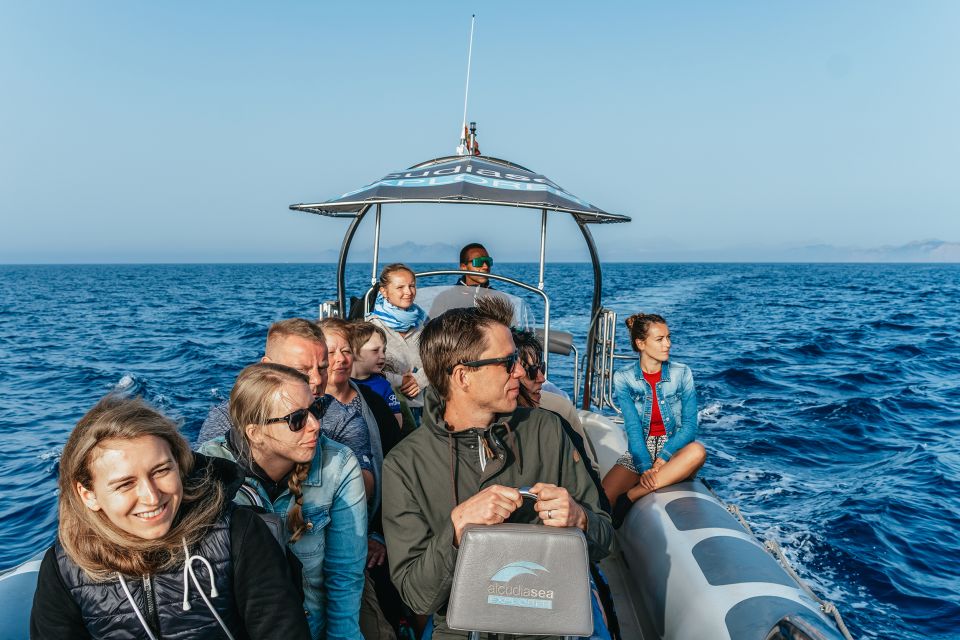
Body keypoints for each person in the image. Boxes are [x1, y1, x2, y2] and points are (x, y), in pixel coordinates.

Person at [381, 297, 613, 639]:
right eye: (508, 363)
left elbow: (604, 538)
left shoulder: (547, 430)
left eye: (517, 360)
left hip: (551, 625)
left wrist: (580, 519)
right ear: (463, 376)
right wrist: (457, 531)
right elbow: (417, 595)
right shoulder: (404, 465)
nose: (520, 371)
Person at [31, 394, 310, 640]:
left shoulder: (238, 533)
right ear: (88, 494)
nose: (152, 497)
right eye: (125, 484)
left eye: (161, 471)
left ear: (180, 465)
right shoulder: (66, 568)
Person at [199, 363, 366, 639]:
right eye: (297, 420)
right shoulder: (210, 475)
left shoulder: (338, 464)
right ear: (254, 432)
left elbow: (344, 575)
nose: (315, 426)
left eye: (317, 409)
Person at [601, 313, 707, 510]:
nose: (667, 344)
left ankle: (634, 494)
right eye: (660, 339)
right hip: (642, 449)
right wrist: (644, 467)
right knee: (602, 500)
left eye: (668, 337)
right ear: (641, 343)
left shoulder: (682, 373)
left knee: (698, 451)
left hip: (675, 448)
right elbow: (633, 427)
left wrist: (663, 458)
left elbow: (690, 427)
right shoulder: (623, 377)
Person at [197, 318, 329, 444]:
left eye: (323, 368)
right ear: (267, 367)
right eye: (301, 370)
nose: (317, 380)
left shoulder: (341, 416)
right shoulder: (226, 419)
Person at [511, 328, 601, 476]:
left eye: (541, 368)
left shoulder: (559, 409)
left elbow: (590, 471)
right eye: (531, 371)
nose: (542, 379)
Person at [367, 263, 430, 419]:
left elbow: (440, 358)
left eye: (412, 286)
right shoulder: (371, 327)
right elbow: (364, 368)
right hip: (389, 409)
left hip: (428, 408)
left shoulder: (425, 322)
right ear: (384, 291)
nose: (408, 292)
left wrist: (420, 380)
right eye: (400, 287)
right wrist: (401, 381)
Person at [351, 320, 404, 430]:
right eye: (375, 351)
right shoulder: (343, 384)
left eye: (383, 351)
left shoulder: (383, 386)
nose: (383, 356)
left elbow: (397, 421)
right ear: (354, 352)